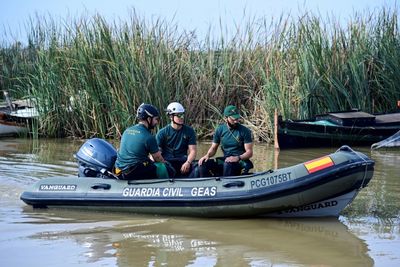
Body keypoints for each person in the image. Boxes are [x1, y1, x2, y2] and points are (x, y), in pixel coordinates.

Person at [114, 103, 167, 180]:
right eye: (156, 119)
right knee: (163, 167)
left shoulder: (126, 130)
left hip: (118, 170)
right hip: (132, 172)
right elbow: (158, 159)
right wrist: (165, 163)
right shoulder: (148, 137)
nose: (157, 122)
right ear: (149, 119)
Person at [198, 105, 254, 177]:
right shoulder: (220, 130)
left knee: (227, 164)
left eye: (237, 118)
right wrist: (207, 156)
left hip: (239, 161)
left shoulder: (245, 131)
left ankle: (226, 185)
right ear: (226, 118)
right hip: (226, 160)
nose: (236, 121)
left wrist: (237, 158)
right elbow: (213, 148)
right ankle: (206, 184)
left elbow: (249, 152)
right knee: (203, 164)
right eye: (233, 119)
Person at [156, 102, 197, 177]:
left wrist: (188, 162)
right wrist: (162, 162)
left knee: (198, 169)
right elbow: (156, 153)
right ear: (171, 117)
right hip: (167, 162)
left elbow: (193, 151)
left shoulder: (189, 131)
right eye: (179, 115)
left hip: (183, 161)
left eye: (182, 115)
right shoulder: (162, 133)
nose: (182, 117)